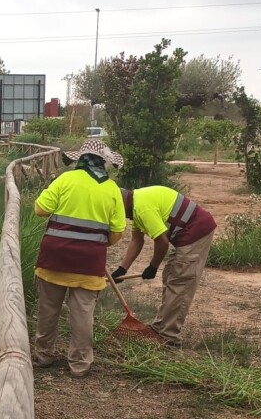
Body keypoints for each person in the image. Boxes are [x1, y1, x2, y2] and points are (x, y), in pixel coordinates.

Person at [32, 139, 126, 377]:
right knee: (83, 314)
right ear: (104, 162)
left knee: (48, 309)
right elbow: (116, 233)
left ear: (79, 159)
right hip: (89, 262)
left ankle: (43, 355)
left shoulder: (65, 179)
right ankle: (80, 364)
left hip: (55, 258)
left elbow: (40, 210)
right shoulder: (112, 189)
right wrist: (96, 242)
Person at [112, 185, 217, 347]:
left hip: (196, 231)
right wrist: (122, 269)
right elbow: (136, 240)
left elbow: (162, 241)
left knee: (180, 280)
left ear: (121, 204)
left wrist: (153, 266)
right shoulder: (136, 204)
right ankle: (160, 327)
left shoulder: (142, 208)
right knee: (170, 276)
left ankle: (169, 337)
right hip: (185, 233)